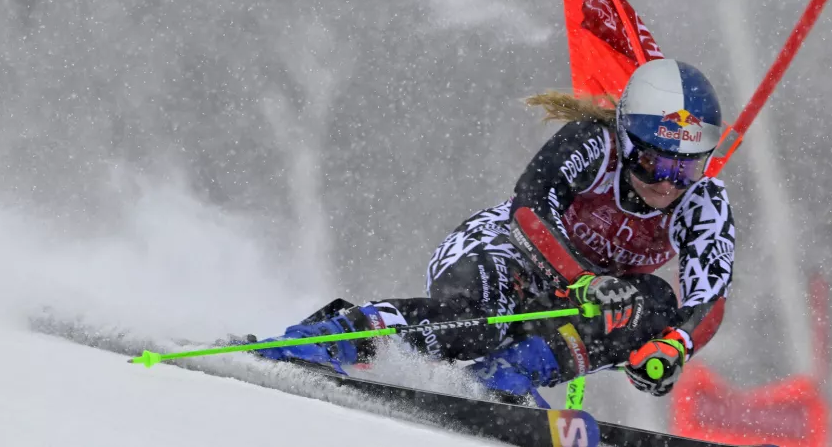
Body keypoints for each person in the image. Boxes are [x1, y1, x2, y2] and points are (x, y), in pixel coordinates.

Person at [248, 58, 735, 404]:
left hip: (574, 300)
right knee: (482, 322)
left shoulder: (703, 201)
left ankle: (505, 378)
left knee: (654, 302)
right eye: (653, 164)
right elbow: (530, 209)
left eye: (686, 168)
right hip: (507, 247)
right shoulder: (595, 143)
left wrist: (674, 346)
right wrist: (584, 279)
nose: (668, 183)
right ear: (628, 140)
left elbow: (710, 296)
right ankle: (334, 337)